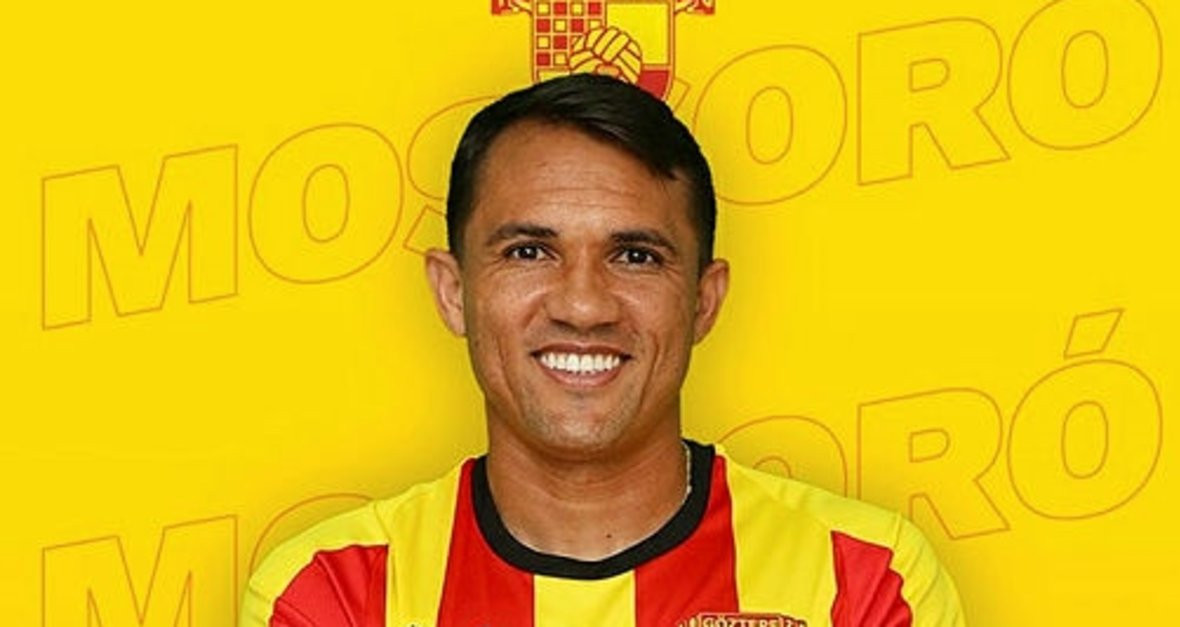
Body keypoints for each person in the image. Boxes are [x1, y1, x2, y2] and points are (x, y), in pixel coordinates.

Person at [240, 74, 965, 626]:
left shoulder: (865, 577)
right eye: (529, 251)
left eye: (636, 256)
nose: (583, 306)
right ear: (453, 292)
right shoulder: (335, 590)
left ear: (705, 300)